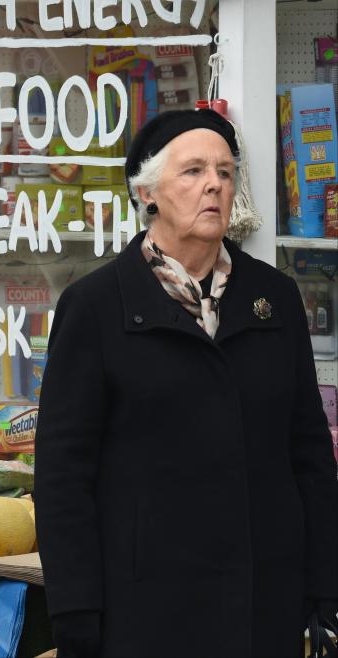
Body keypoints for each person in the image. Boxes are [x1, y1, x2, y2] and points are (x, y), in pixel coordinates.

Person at [34, 108, 338, 658]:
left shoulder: (275, 298)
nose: (214, 185)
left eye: (225, 171)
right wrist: (75, 609)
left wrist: (324, 586)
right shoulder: (96, 307)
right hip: (147, 608)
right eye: (193, 171)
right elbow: (63, 474)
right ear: (148, 192)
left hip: (263, 602)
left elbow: (309, 454)